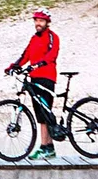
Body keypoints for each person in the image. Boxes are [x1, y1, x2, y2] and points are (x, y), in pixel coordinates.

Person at [5, 9, 61, 159]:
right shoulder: (34, 38)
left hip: (47, 78)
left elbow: (52, 55)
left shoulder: (52, 37)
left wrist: (38, 64)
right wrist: (14, 66)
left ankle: (45, 147)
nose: (38, 23)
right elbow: (26, 55)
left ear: (47, 22)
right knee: (41, 114)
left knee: (45, 112)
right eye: (36, 20)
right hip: (34, 78)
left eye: (41, 21)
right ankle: (48, 147)